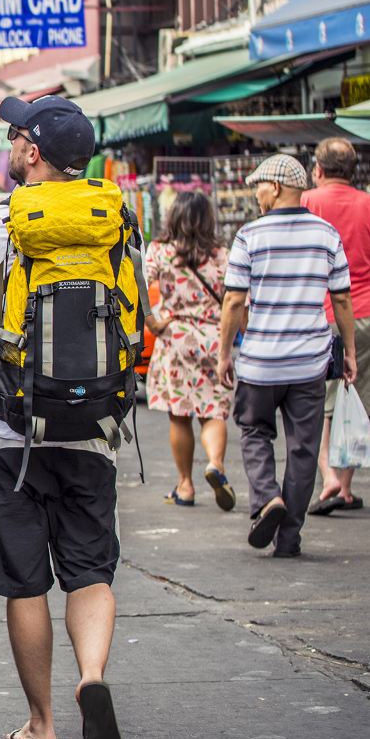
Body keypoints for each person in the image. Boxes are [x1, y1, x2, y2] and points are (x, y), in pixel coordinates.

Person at [0, 95, 126, 739]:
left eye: (17, 137)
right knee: (90, 571)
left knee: (26, 583)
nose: (11, 145)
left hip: (13, 433)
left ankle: (42, 723)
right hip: (93, 430)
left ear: (33, 152)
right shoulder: (115, 223)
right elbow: (137, 326)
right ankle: (92, 676)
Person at [216, 154, 355, 560]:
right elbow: (342, 299)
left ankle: (266, 498)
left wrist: (225, 353)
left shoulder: (249, 236)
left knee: (256, 431)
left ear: (274, 188)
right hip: (309, 361)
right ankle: (289, 536)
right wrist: (346, 353)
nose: (255, 193)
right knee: (303, 449)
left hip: (260, 361)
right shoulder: (327, 234)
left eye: (258, 185)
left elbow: (233, 300)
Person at [302, 138, 370, 515]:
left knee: (320, 400)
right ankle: (344, 487)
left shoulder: (306, 202)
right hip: (363, 314)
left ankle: (327, 476)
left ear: (318, 169)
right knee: (356, 397)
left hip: (315, 313)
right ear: (353, 170)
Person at [142, 191, 236, 510]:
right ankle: (215, 465)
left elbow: (138, 285)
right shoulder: (222, 254)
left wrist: (153, 322)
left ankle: (185, 485)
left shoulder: (160, 251)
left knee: (180, 416)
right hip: (214, 339)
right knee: (213, 411)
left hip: (175, 337)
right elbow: (236, 300)